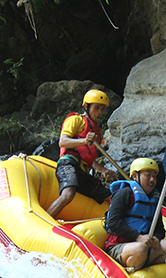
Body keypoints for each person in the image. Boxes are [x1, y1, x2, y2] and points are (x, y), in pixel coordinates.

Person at [46, 89, 119, 219]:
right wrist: (84, 140)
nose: (100, 112)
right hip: (68, 164)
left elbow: (90, 159)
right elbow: (63, 142)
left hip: (84, 172)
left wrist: (103, 170)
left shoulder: (96, 132)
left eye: (102, 109)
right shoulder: (76, 120)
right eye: (97, 108)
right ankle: (46, 220)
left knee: (112, 197)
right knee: (68, 194)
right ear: (86, 106)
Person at [104, 157, 166, 270]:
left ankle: (142, 265)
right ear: (135, 176)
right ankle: (132, 266)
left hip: (144, 247)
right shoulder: (124, 193)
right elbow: (113, 222)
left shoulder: (154, 199)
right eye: (148, 175)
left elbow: (160, 229)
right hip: (119, 246)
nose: (152, 180)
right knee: (140, 249)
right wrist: (137, 237)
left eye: (154, 176)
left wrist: (156, 238)